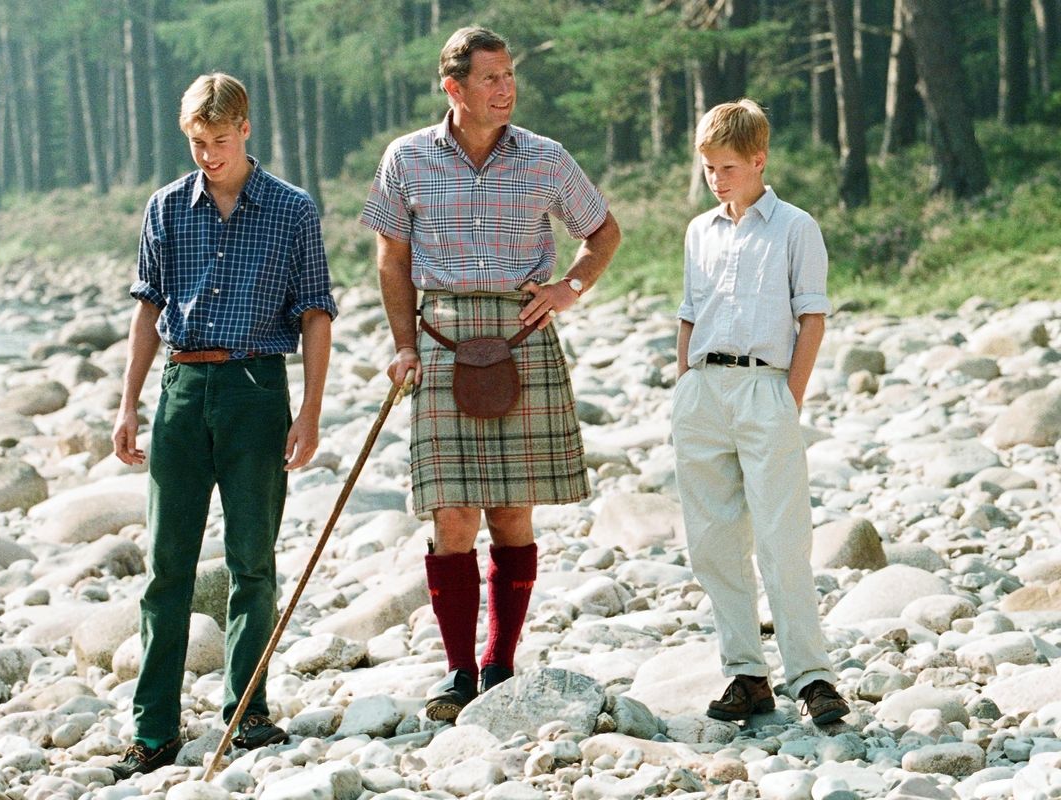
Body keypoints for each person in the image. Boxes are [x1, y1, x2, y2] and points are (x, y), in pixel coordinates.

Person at [360, 26, 621, 721]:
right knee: (451, 514)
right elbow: (391, 259)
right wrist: (403, 344)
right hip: (440, 338)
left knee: (511, 510)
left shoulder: (545, 156)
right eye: (491, 78)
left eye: (509, 76)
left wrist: (569, 287)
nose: (506, 89)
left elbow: (603, 232)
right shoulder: (407, 157)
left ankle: (500, 663)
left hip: (521, 333)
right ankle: (456, 672)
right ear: (454, 88)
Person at [108, 72, 336, 778]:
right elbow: (148, 309)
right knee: (166, 568)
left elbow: (316, 314)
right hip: (181, 391)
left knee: (252, 563)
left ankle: (249, 713)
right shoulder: (166, 207)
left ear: (245, 129)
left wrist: (310, 411)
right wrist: (128, 404)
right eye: (197, 144)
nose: (208, 156)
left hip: (256, 392)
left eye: (219, 141)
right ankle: (153, 730)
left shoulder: (292, 210)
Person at [672, 99, 848, 726]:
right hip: (703, 392)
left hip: (765, 388)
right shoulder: (700, 231)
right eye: (708, 168)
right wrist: (685, 383)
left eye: (728, 167)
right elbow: (689, 312)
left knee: (781, 539)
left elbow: (812, 317)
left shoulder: (795, 227)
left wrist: (788, 397)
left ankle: (813, 677)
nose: (717, 180)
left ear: (758, 160)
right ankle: (746, 674)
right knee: (713, 543)